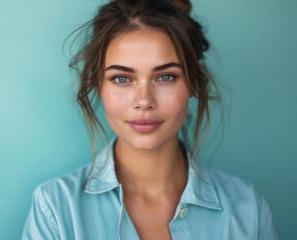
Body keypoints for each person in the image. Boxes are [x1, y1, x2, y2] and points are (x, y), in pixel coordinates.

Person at [21, 0, 277, 239]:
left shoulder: (249, 210)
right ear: (98, 85)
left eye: (165, 77)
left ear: (193, 83)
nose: (144, 101)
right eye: (121, 78)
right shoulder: (54, 208)